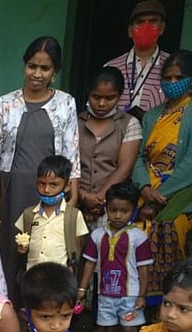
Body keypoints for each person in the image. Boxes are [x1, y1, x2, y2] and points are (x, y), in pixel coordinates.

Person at [0, 36, 80, 306]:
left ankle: (42, 310)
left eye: (45, 68)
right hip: (11, 188)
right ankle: (9, 308)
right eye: (32, 66)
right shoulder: (6, 103)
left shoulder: (65, 103)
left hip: (50, 191)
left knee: (46, 250)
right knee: (11, 249)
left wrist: (71, 194)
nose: (37, 74)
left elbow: (71, 149)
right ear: (24, 66)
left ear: (55, 72)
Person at [132, 49, 192, 302]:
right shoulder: (152, 115)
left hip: (181, 200)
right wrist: (144, 189)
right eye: (167, 77)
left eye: (178, 77)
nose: (172, 83)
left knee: (180, 266)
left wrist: (160, 194)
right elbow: (139, 156)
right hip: (146, 198)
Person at [77, 182, 153, 332]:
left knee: (130, 331)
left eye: (124, 211)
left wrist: (142, 295)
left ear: (133, 210)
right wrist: (82, 289)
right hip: (105, 293)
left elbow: (144, 268)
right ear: (106, 209)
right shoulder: (97, 235)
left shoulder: (139, 237)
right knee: (108, 329)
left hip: (129, 294)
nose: (118, 215)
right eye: (113, 210)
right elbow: (89, 264)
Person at [77, 67, 143, 228]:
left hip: (112, 208)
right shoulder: (75, 121)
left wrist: (98, 199)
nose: (101, 103)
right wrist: (83, 196)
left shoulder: (129, 123)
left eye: (110, 98)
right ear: (88, 93)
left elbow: (124, 168)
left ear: (120, 96)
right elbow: (68, 164)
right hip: (76, 201)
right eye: (96, 97)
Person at [15, 155, 88, 272]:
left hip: (60, 276)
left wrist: (71, 267)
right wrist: (22, 248)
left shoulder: (73, 215)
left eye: (53, 185)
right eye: (42, 184)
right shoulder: (29, 214)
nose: (46, 190)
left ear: (67, 186)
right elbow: (23, 242)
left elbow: (77, 246)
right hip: (33, 274)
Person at [104, 0, 170, 119]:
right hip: (117, 134)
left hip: (155, 135)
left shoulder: (171, 66)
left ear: (162, 28)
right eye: (140, 22)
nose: (146, 27)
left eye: (153, 21)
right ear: (130, 31)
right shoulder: (112, 67)